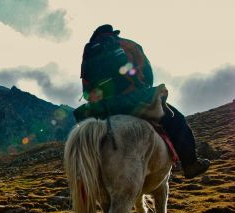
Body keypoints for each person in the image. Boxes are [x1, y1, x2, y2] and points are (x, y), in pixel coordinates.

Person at [80, 24, 210, 179]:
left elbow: (86, 90)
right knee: (176, 120)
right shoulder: (127, 44)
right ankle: (190, 164)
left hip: (103, 107)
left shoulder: (88, 53)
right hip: (135, 100)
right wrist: (142, 88)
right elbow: (147, 74)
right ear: (113, 33)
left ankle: (82, 177)